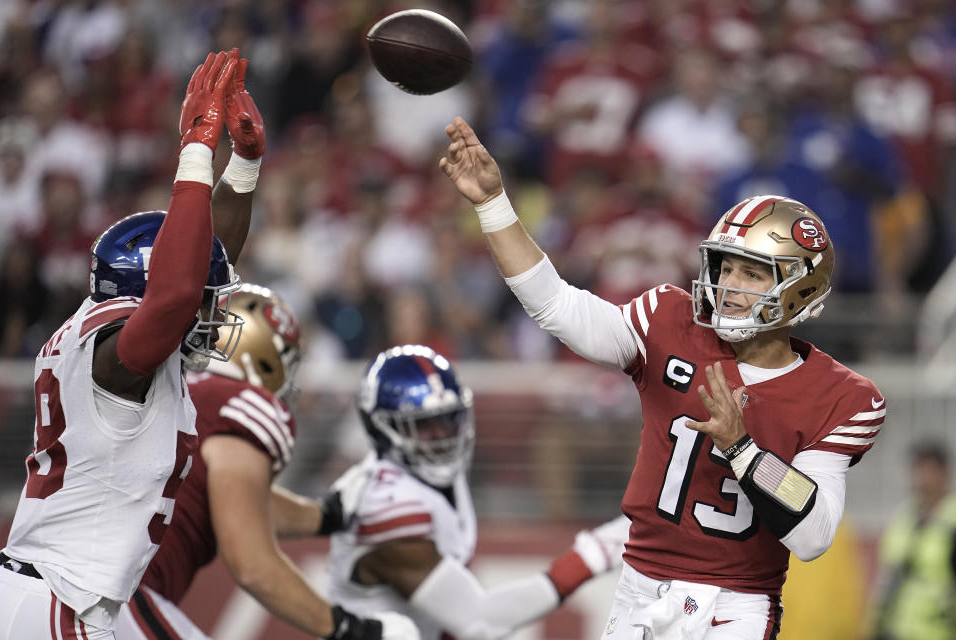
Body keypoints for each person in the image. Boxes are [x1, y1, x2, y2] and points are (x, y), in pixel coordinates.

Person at [438, 117, 886, 639]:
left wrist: (743, 449)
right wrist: (493, 205)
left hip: (735, 606)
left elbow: (813, 537)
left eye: (752, 273)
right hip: (639, 588)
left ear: (800, 291)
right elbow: (556, 305)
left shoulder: (844, 397)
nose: (729, 285)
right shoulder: (668, 320)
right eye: (724, 267)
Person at [0, 50, 244, 639]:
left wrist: (247, 165)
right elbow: (179, 293)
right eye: (199, 300)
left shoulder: (102, 332)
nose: (212, 312)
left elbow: (204, 268)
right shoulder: (116, 352)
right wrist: (196, 149)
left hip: (42, 591)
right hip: (59, 601)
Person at [113, 285, 418, 640]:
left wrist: (328, 516)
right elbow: (252, 564)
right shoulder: (239, 406)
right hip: (116, 596)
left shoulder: (182, 391)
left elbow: (234, 499)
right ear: (262, 356)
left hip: (64, 581)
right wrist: (350, 629)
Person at [328, 344, 631, 640]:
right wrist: (594, 554)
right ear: (382, 428)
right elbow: (479, 622)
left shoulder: (435, 479)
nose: (442, 436)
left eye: (447, 419)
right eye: (422, 426)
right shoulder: (385, 505)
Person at [870, 440, 956, 640]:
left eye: (929, 470)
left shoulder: (952, 518)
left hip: (938, 631)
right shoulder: (904, 518)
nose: (922, 478)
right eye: (918, 470)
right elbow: (887, 576)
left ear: (944, 473)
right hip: (896, 628)